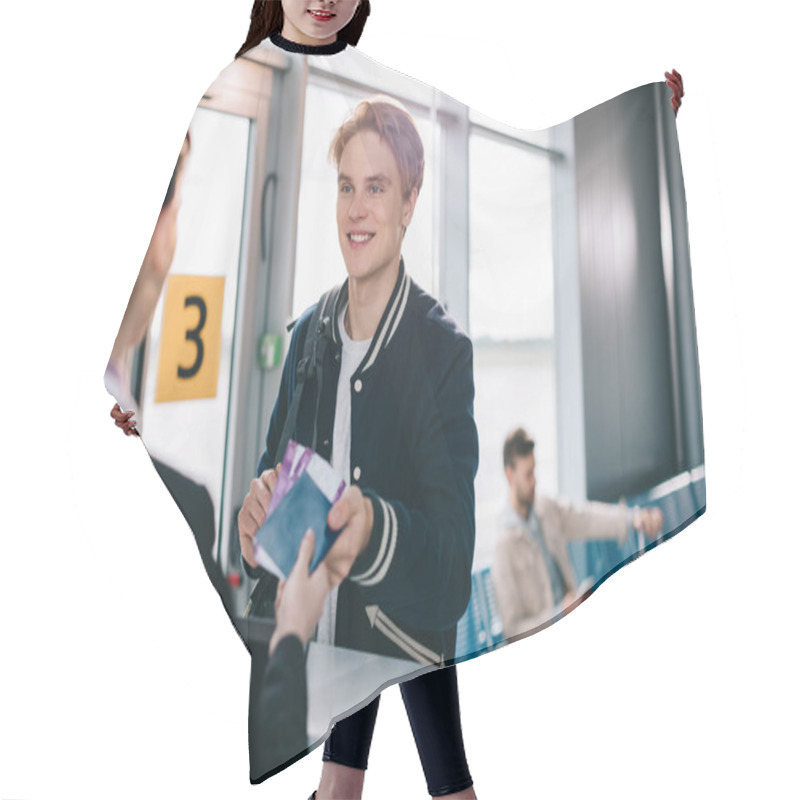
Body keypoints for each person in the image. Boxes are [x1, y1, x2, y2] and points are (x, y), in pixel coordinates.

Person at [237, 98, 480, 798]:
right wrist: (257, 513)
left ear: (409, 202)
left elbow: (450, 561)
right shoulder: (308, 335)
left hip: (405, 630)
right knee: (338, 788)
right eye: (347, 185)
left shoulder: (441, 350)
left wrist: (371, 528)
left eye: (377, 187)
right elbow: (272, 474)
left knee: (449, 790)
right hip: (322, 629)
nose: (357, 208)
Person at [492, 427, 664, 638]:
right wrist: (559, 614)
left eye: (535, 471)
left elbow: (586, 518)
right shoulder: (503, 547)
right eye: (528, 474)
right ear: (510, 475)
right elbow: (513, 630)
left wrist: (632, 518)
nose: (534, 480)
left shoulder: (545, 508)